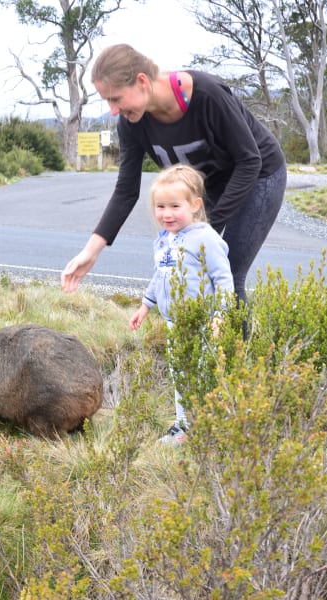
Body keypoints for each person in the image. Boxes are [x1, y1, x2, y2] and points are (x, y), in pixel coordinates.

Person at [61, 43, 287, 336]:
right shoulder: (132, 124)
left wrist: (204, 229)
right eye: (107, 102)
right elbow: (126, 191)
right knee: (192, 271)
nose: (113, 110)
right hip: (204, 188)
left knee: (227, 269)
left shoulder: (206, 94)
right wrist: (90, 252)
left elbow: (249, 160)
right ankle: (201, 354)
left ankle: (237, 367)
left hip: (259, 176)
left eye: (115, 98)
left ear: (142, 81)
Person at [129, 164, 234, 445]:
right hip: (175, 322)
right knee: (180, 374)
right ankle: (184, 427)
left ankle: (208, 427)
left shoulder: (205, 238)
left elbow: (224, 278)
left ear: (195, 205)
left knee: (201, 374)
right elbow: (160, 275)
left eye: (175, 206)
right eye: (160, 206)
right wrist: (145, 305)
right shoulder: (164, 240)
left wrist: (220, 315)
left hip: (202, 322)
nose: (166, 214)